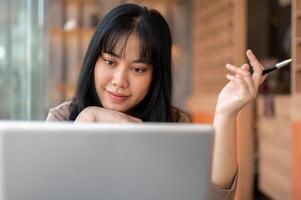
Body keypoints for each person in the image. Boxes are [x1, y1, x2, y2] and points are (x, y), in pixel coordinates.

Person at [46, 3, 266, 199]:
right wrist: (87, 118)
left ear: (155, 75)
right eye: (110, 62)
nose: (120, 81)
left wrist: (226, 114)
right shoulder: (62, 118)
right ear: (94, 61)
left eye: (138, 69)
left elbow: (214, 198)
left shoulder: (174, 124)